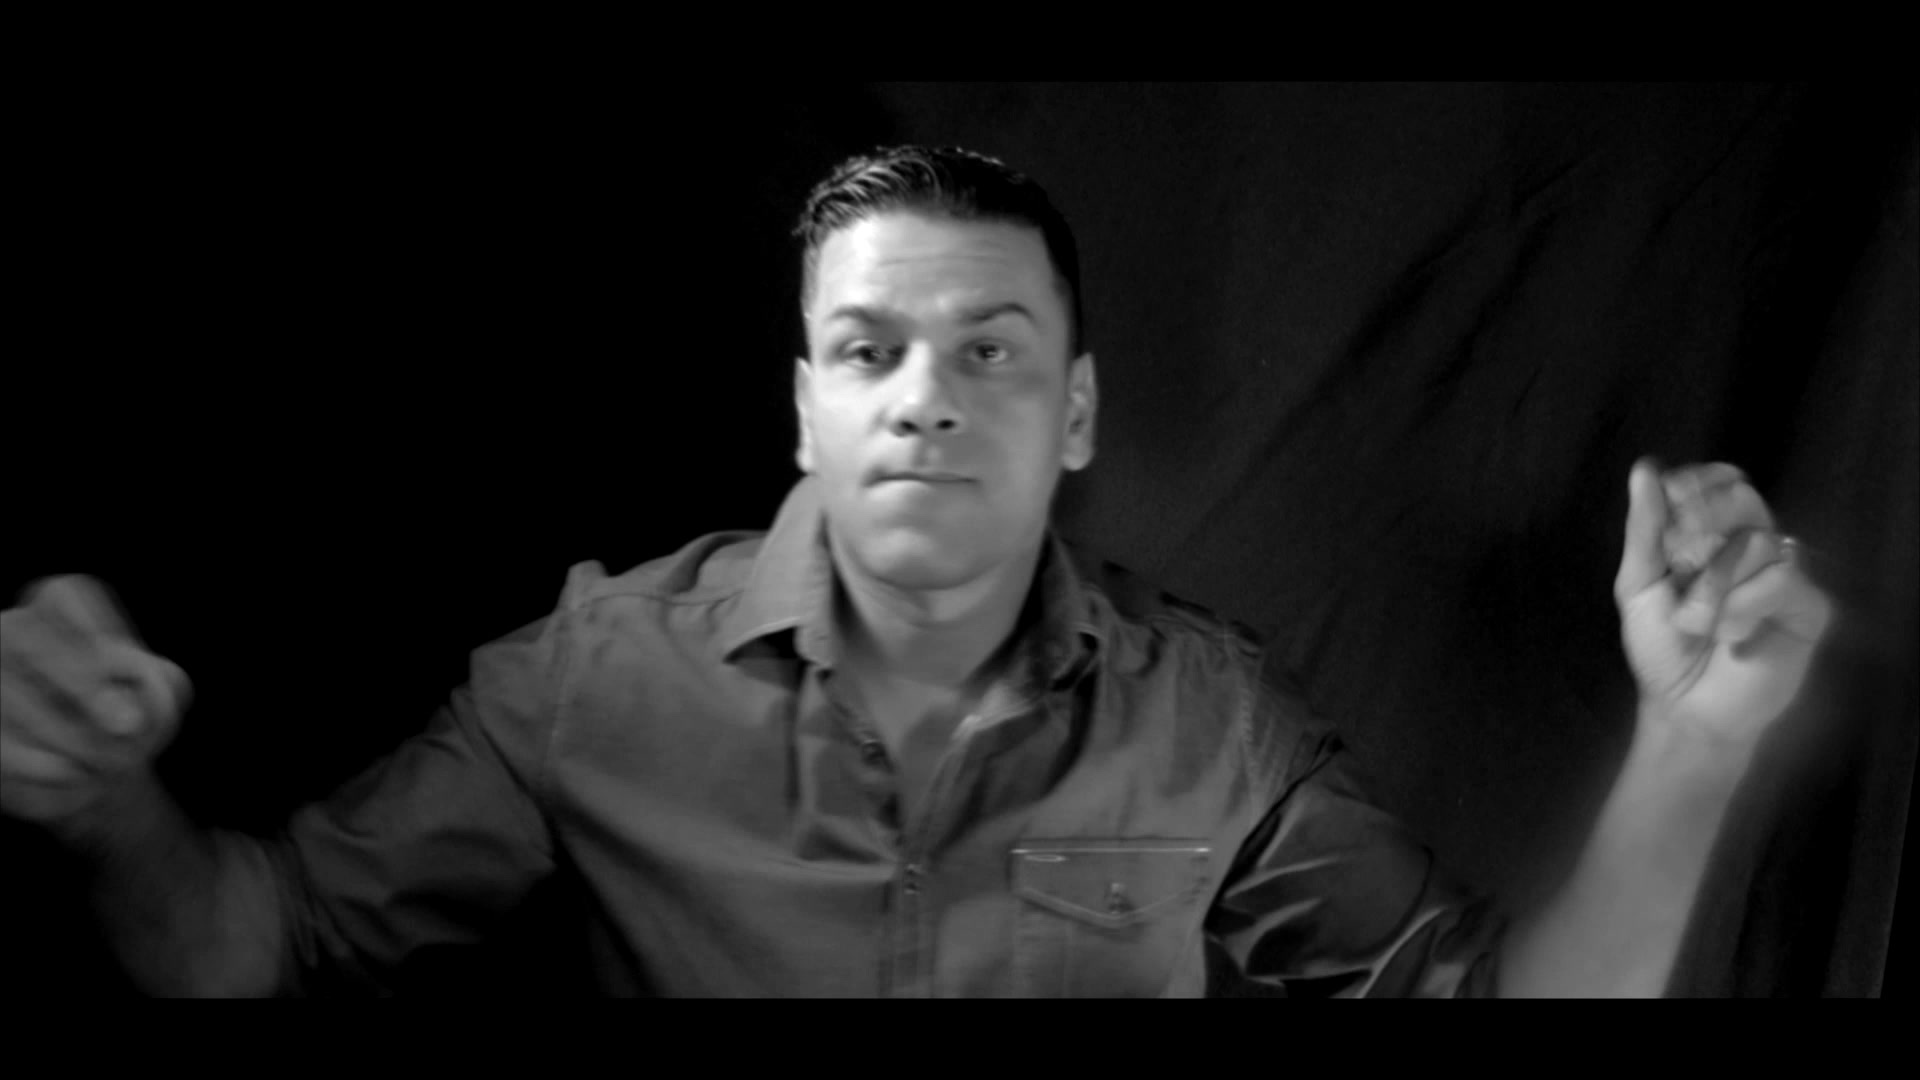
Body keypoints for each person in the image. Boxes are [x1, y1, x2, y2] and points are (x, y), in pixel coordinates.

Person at [0, 145, 1835, 997]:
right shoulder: (589, 678)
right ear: (804, 407)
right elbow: (248, 942)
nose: (927, 399)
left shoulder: (1208, 724)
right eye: (870, 351)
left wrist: (1700, 739)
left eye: (992, 352)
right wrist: (103, 808)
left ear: (1078, 413)